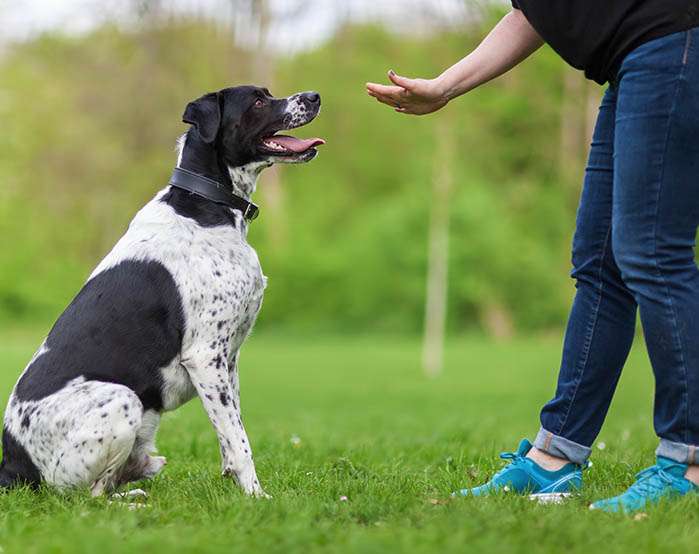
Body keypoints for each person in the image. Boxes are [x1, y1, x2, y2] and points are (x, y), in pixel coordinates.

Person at [366, 1, 699, 512]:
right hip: (635, 62)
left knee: (653, 252)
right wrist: (444, 86)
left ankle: (690, 461)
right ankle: (556, 456)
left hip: (672, 44)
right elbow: (537, 14)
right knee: (601, 265)